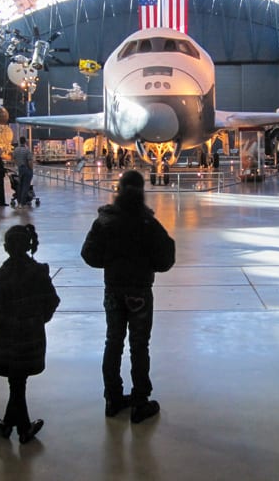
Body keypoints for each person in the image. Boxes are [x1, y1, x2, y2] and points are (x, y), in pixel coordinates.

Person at [81, 170, 175, 423]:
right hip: (140, 291)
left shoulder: (105, 220)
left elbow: (88, 254)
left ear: (118, 189)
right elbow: (166, 258)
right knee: (139, 346)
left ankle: (112, 399)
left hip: (113, 289)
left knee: (113, 342)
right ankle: (140, 401)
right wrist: (146, 265)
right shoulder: (148, 223)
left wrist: (111, 262)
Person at [0, 224, 60, 444]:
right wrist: (38, 318)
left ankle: (12, 425)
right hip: (31, 333)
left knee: (15, 381)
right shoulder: (38, 272)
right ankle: (20, 427)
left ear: (6, 247)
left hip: (7, 334)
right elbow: (52, 301)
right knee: (19, 382)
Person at [12, 136, 34, 207]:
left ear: (19, 141)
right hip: (27, 169)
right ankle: (23, 203)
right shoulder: (27, 150)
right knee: (26, 186)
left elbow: (14, 159)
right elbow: (30, 161)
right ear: (25, 142)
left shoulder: (16, 150)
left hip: (20, 169)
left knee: (19, 186)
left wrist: (18, 165)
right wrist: (31, 169)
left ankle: (19, 202)